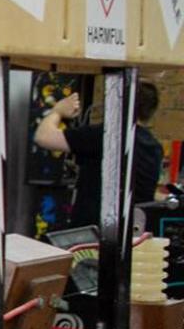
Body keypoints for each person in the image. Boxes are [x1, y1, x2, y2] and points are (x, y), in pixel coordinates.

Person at [34, 80, 164, 229]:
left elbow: (43, 137)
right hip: (133, 231)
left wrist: (57, 111)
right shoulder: (154, 146)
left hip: (95, 232)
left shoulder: (107, 135)